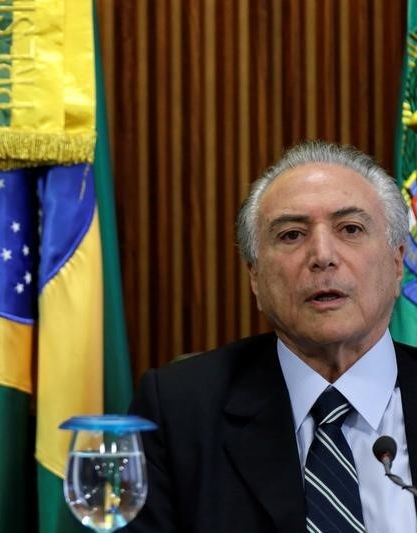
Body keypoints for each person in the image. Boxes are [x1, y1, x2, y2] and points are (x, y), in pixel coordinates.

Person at [126, 141, 417, 532]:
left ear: (398, 262)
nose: (322, 255)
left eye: (350, 228)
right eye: (292, 235)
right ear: (255, 278)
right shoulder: (178, 413)